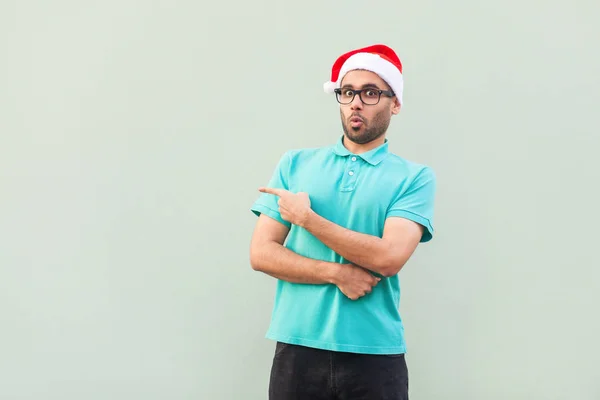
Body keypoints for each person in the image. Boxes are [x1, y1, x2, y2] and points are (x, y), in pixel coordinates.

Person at [248, 44, 436, 400]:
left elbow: (388, 258)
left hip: (375, 352)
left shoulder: (414, 178)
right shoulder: (295, 164)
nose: (356, 103)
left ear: (394, 104)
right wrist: (335, 273)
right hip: (296, 347)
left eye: (370, 93)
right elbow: (261, 254)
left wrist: (306, 219)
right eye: (348, 92)